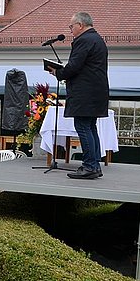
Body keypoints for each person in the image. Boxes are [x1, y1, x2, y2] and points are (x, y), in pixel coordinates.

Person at [50, 12, 109, 180]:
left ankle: (89, 166)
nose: (70, 30)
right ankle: (95, 165)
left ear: (80, 25)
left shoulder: (83, 40)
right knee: (90, 127)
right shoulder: (97, 39)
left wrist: (58, 72)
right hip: (96, 92)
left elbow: (75, 66)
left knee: (83, 127)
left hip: (85, 93)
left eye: (71, 27)